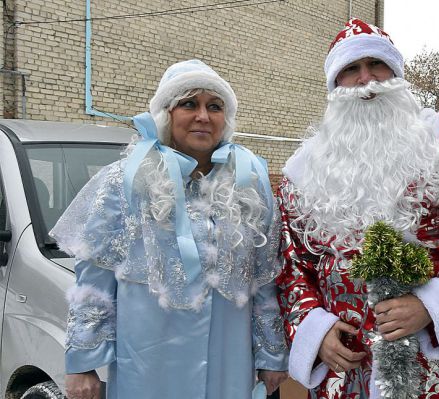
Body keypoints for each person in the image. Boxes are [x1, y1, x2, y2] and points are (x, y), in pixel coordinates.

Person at [276, 19, 439, 398]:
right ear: (335, 85)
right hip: (344, 366)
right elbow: (291, 264)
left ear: (397, 73)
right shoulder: (304, 170)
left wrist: (431, 304)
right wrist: (314, 329)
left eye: (377, 65)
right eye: (351, 69)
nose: (366, 79)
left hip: (429, 360)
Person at [51, 59, 288, 398]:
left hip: (229, 363)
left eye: (215, 106)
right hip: (149, 364)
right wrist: (82, 364)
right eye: (189, 104)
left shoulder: (250, 184)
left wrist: (272, 353)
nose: (203, 116)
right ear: (167, 114)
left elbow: (265, 277)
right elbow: (94, 279)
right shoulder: (125, 180)